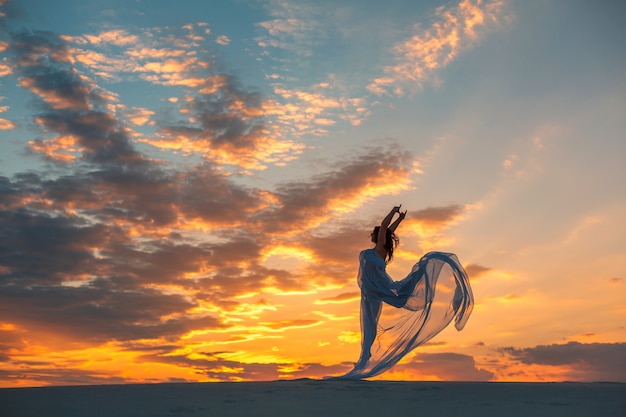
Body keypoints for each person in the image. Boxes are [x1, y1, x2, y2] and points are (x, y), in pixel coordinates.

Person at [341, 205, 474, 379]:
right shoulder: (377, 250)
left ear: (380, 237)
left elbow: (384, 227)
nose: (374, 235)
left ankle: (365, 357)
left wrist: (393, 211)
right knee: (369, 324)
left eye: (376, 233)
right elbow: (387, 231)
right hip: (371, 292)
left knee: (370, 322)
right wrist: (400, 219)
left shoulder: (380, 248)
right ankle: (365, 356)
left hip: (377, 289)